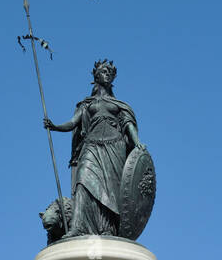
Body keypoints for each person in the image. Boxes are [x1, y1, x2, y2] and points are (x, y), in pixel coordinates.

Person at [44, 60, 146, 237]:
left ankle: (108, 227)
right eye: (104, 71)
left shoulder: (119, 104)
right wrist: (55, 127)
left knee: (111, 190)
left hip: (115, 148)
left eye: (110, 73)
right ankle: (78, 226)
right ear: (96, 76)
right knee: (83, 181)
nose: (107, 75)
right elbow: (73, 122)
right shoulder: (86, 104)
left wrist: (137, 142)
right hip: (91, 146)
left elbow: (128, 123)